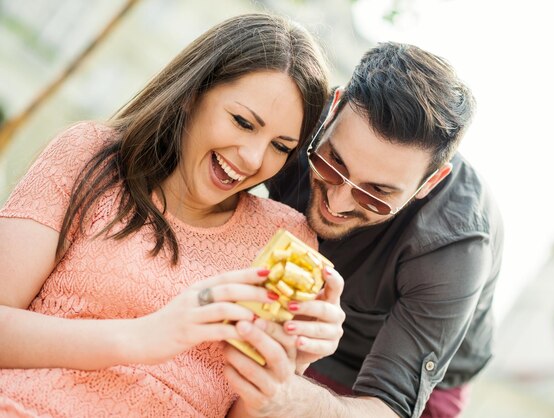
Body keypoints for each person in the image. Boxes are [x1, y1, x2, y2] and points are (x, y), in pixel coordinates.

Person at [0, 13, 345, 418]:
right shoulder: (89, 155)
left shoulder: (286, 239)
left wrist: (282, 374)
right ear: (192, 93)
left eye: (280, 146)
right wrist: (144, 337)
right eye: (242, 122)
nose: (253, 159)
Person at [223, 42, 504, 418]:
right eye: (332, 164)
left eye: (377, 194)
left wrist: (290, 399)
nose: (337, 204)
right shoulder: (297, 118)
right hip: (296, 318)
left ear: (430, 183)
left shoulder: (456, 246)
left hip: (413, 380)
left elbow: (391, 405)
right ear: (333, 108)